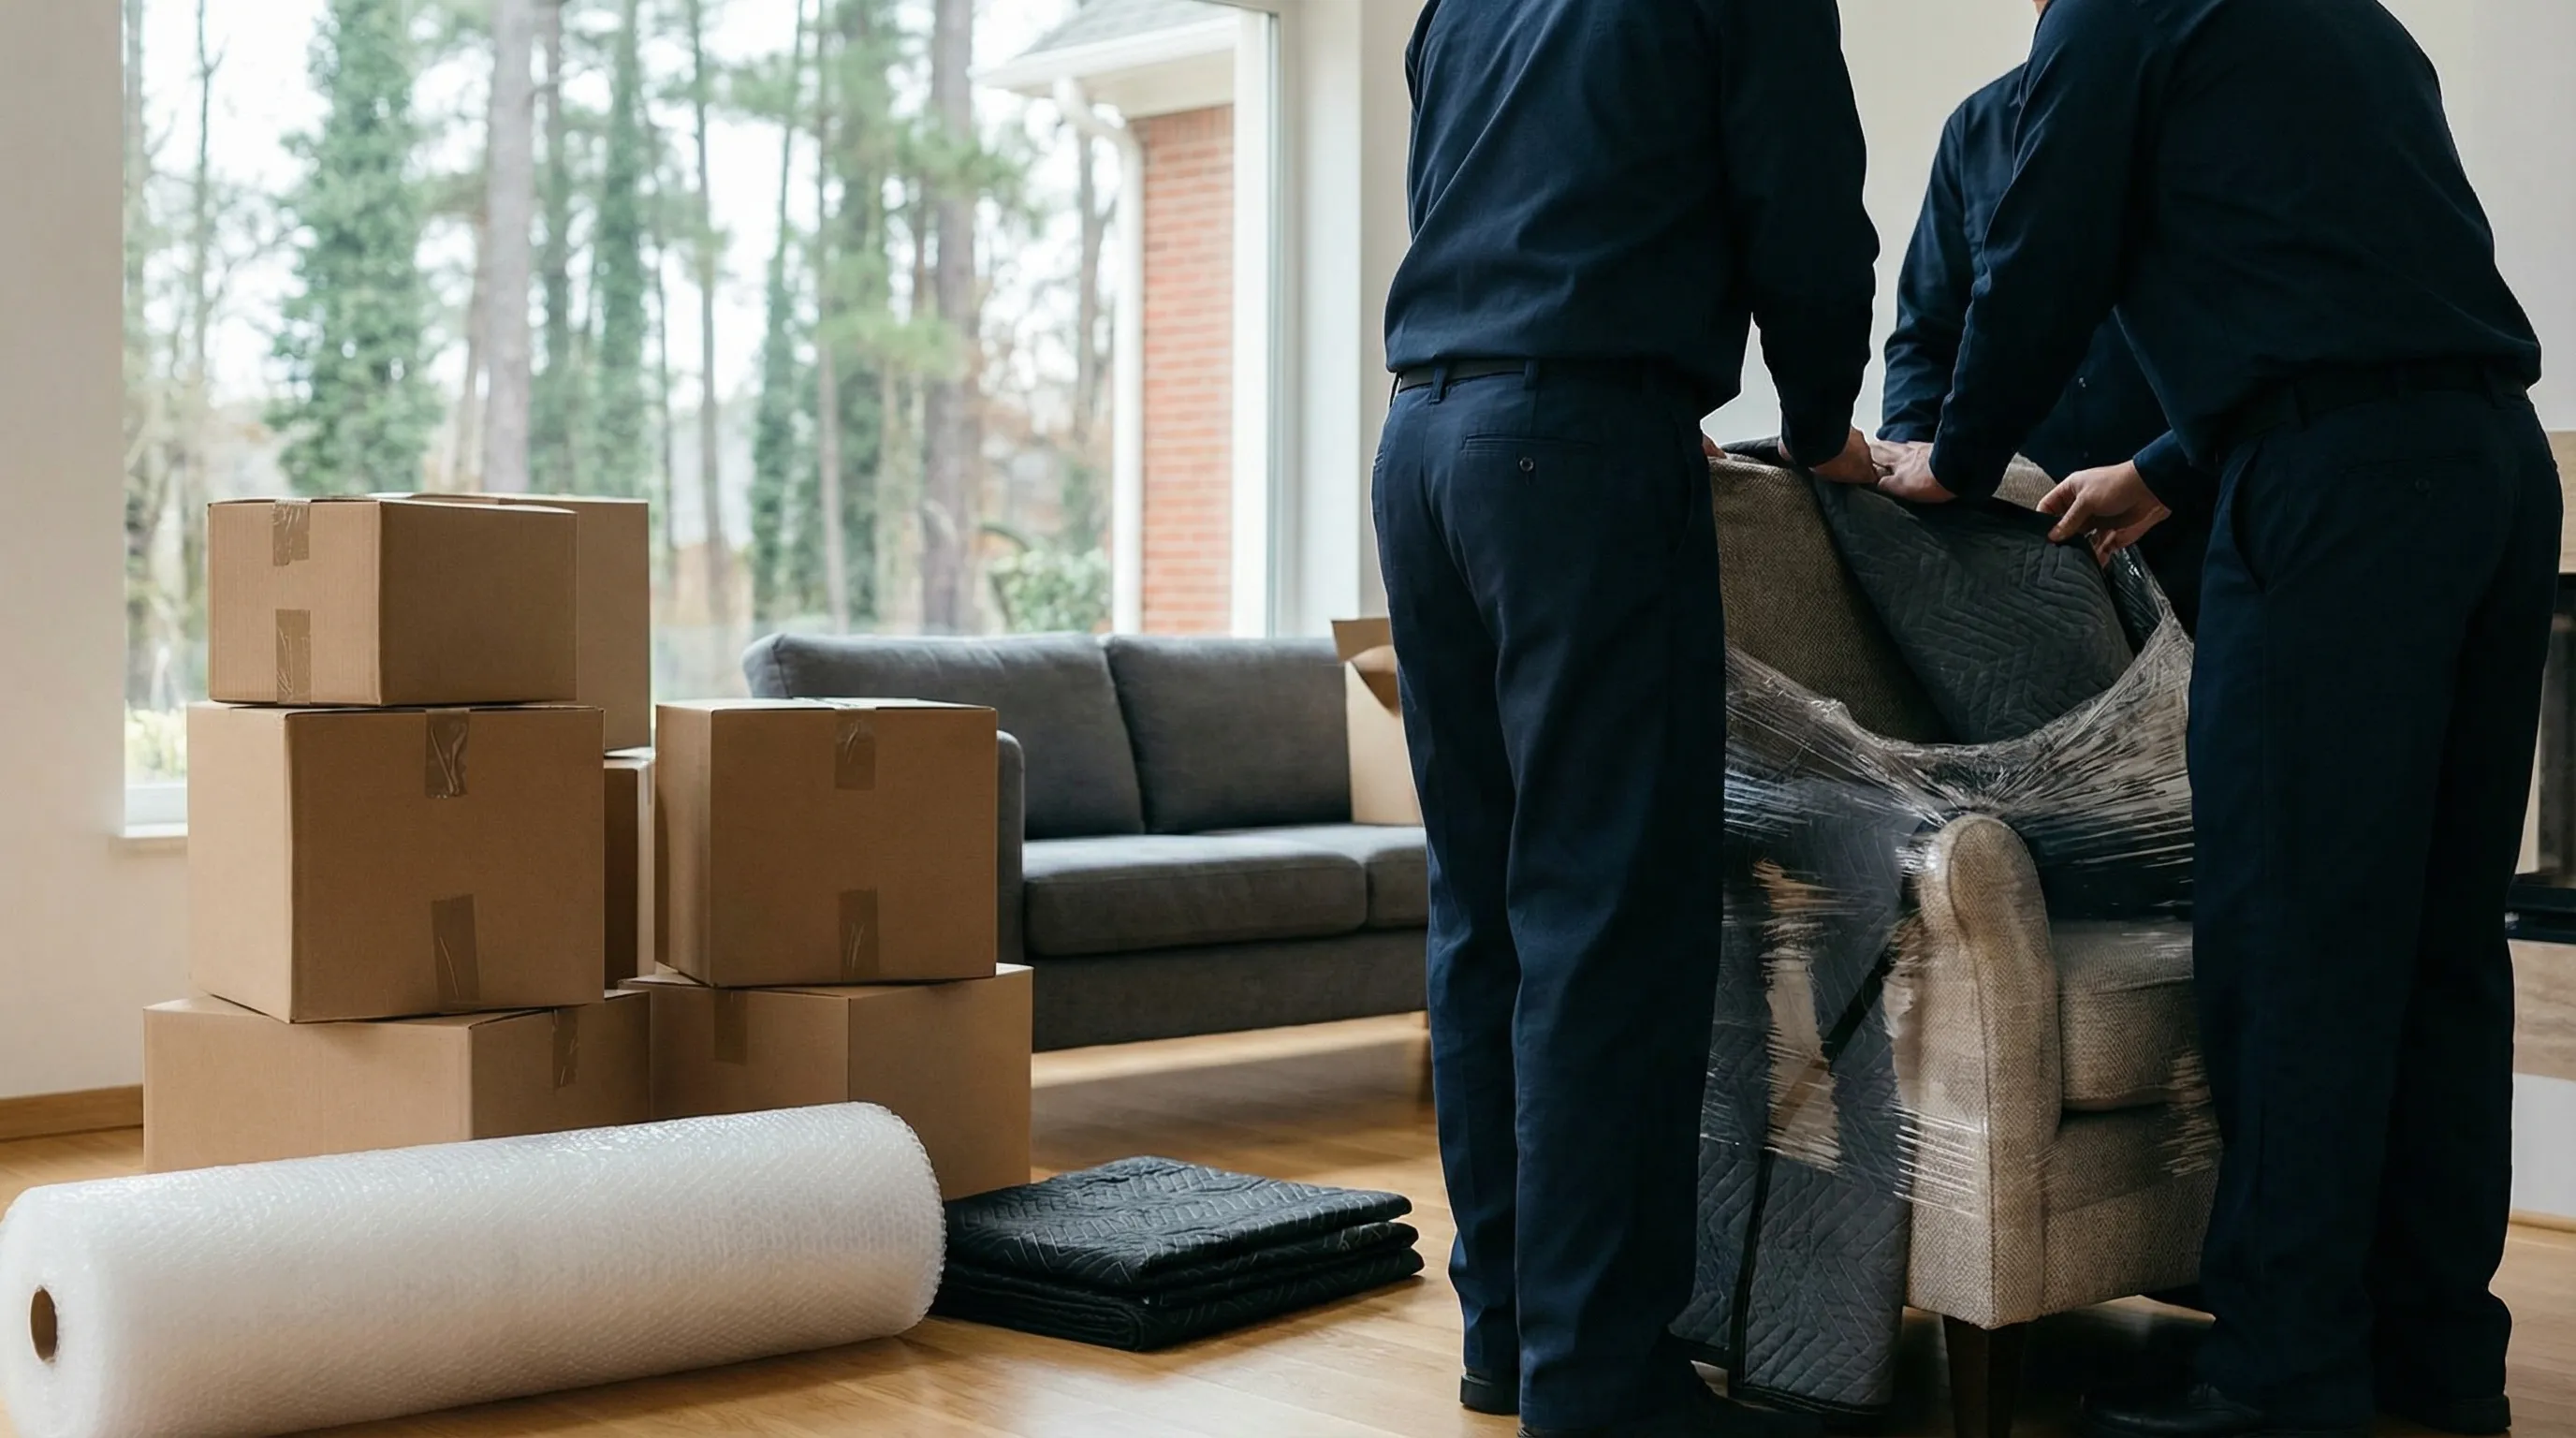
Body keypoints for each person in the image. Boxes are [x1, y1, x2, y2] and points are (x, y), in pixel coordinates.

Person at [1879, 1, 2554, 1434]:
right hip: (2490, 470)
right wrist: (2170, 464)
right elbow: (2362, 286)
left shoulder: (2112, 12)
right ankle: (2438, 1361)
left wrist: (1963, 448)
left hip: (2334, 502)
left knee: (2293, 943)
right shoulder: (2344, 20)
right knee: (2439, 942)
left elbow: (2040, 248)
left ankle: (2284, 1380)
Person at [1377, 2, 1878, 1435]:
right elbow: (1805, 209)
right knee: (1604, 921)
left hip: (1422, 440)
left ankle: (1512, 1338)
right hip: (1573, 451)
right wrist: (1826, 417)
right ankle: (1601, 1384)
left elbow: (1480, 191)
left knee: (1485, 916)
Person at [1876, 11, 2211, 631]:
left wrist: (2169, 470)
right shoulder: (1972, 131)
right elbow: (1926, 336)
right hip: (2025, 550)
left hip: (2192, 514)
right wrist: (1909, 464)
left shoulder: (2188, 104)